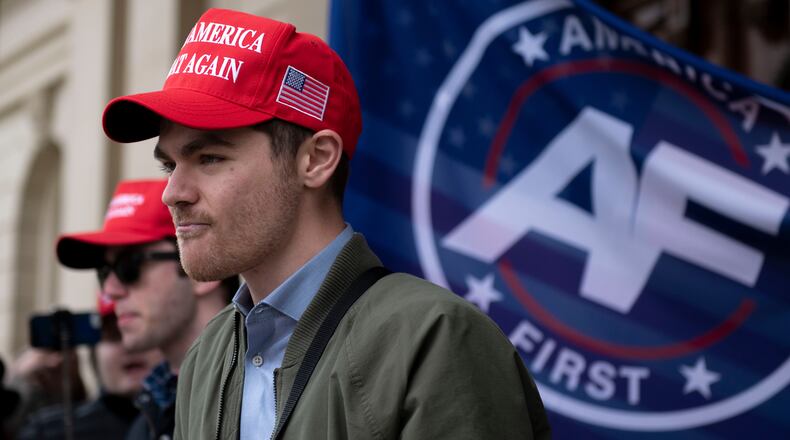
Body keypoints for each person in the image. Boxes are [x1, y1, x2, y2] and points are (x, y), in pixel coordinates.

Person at [101, 8, 550, 440]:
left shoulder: (435, 339)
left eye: (209, 158)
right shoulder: (207, 355)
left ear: (316, 160)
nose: (172, 193)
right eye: (169, 165)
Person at [55, 179, 239, 440]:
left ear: (201, 271)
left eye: (129, 265)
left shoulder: (261, 393)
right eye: (104, 272)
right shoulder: (149, 415)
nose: (110, 290)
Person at [16, 293, 162, 440]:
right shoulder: (49, 432)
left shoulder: (176, 423)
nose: (129, 346)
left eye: (141, 332)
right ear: (94, 353)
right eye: (113, 335)